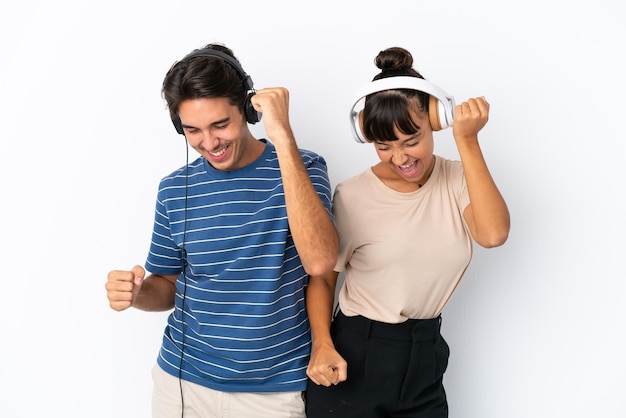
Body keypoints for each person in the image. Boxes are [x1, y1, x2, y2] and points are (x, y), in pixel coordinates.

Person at [104, 43, 338, 418]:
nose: (209, 143)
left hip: (272, 390)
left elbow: (321, 262)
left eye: (220, 124)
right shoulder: (173, 189)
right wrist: (137, 293)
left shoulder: (303, 167)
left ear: (247, 109)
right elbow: (166, 286)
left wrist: (283, 136)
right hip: (181, 382)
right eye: (192, 130)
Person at [305, 46, 510, 417]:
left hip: (425, 356)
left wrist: (467, 140)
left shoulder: (459, 180)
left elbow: (493, 235)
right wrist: (321, 343)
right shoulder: (353, 196)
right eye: (384, 147)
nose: (400, 158)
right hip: (357, 354)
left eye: (412, 141)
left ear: (436, 120)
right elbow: (323, 278)